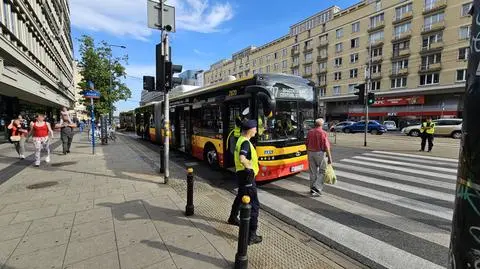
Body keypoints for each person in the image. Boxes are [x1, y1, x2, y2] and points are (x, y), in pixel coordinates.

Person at [227, 119, 263, 245]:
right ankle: (251, 235)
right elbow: (242, 158)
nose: (256, 131)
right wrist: (250, 169)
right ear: (250, 130)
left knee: (240, 196)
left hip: (241, 175)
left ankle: (232, 217)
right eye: (255, 128)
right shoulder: (246, 143)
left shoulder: (240, 140)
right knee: (254, 205)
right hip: (247, 176)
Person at [305, 118, 333, 196]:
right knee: (322, 171)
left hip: (310, 152)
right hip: (319, 153)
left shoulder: (310, 132)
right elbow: (326, 146)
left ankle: (312, 189)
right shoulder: (323, 133)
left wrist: (308, 151)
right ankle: (316, 187)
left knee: (312, 172)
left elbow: (306, 143)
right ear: (322, 125)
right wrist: (330, 158)